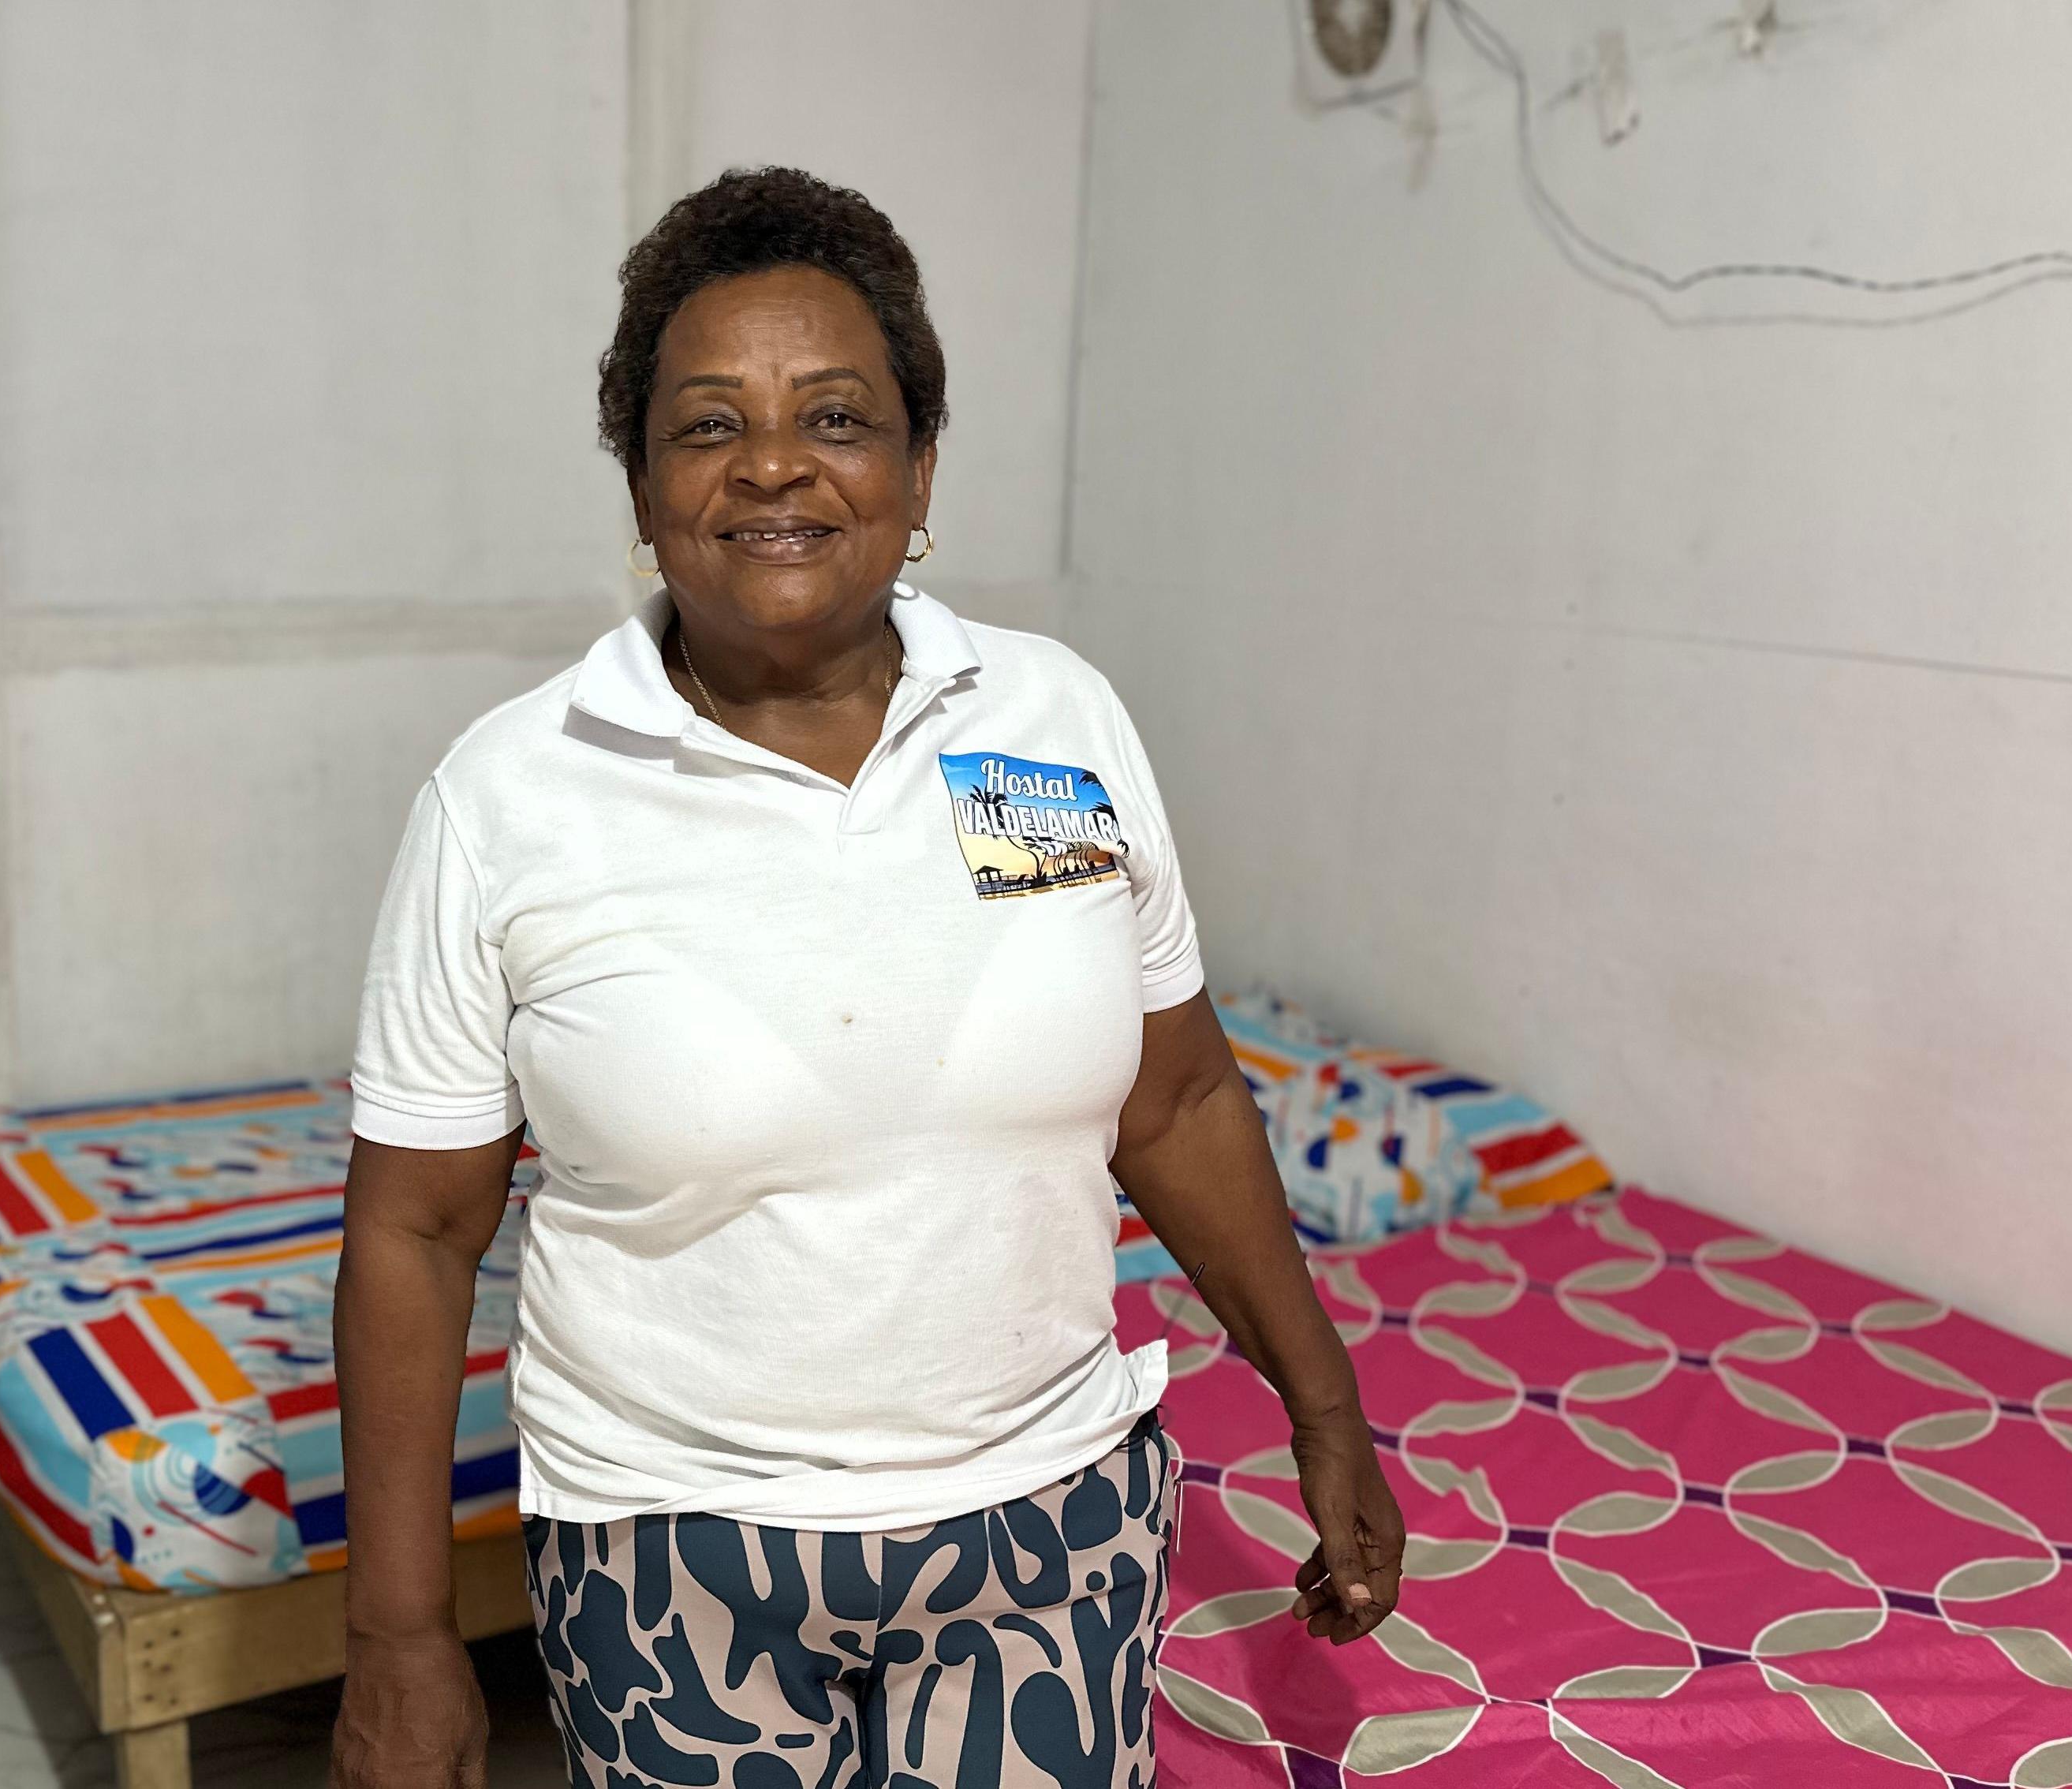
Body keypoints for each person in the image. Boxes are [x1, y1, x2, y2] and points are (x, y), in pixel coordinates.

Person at [330, 166, 1401, 1787]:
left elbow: (1173, 1095)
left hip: (1050, 1529)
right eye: (706, 425)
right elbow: (414, 1229)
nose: (774, 462)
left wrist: (1324, 1404)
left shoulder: (1052, 727)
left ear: (916, 471)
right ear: (639, 483)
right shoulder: (510, 795)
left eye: (836, 416)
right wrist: (399, 1638)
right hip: (671, 1553)